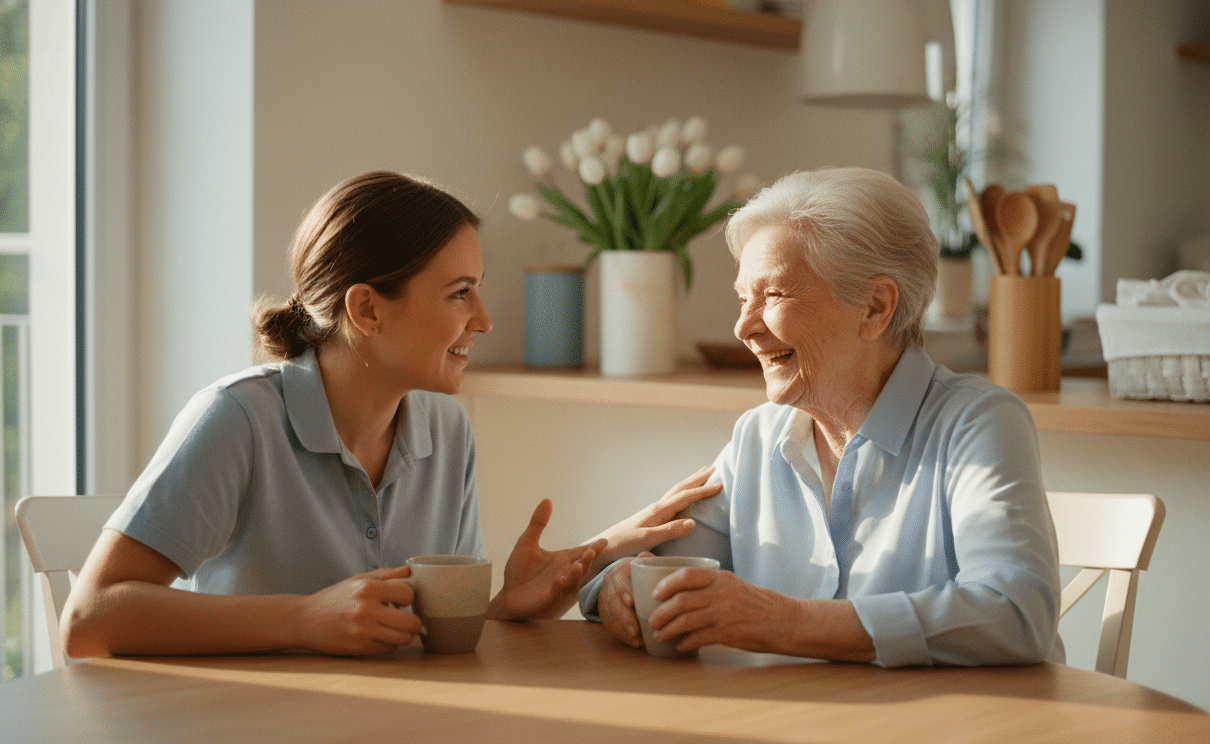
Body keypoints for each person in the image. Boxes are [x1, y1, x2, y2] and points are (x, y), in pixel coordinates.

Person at [63, 170, 718, 658]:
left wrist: (508, 609)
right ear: (368, 310)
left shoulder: (446, 430)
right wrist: (304, 619)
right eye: (459, 294)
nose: (484, 321)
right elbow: (90, 619)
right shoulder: (237, 420)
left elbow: (417, 641)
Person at [580, 167, 1063, 667]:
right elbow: (664, 571)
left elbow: (1017, 612)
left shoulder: (978, 423)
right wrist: (619, 586)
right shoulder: (758, 437)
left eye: (773, 296)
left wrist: (784, 622)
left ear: (875, 307)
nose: (743, 327)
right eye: (744, 298)